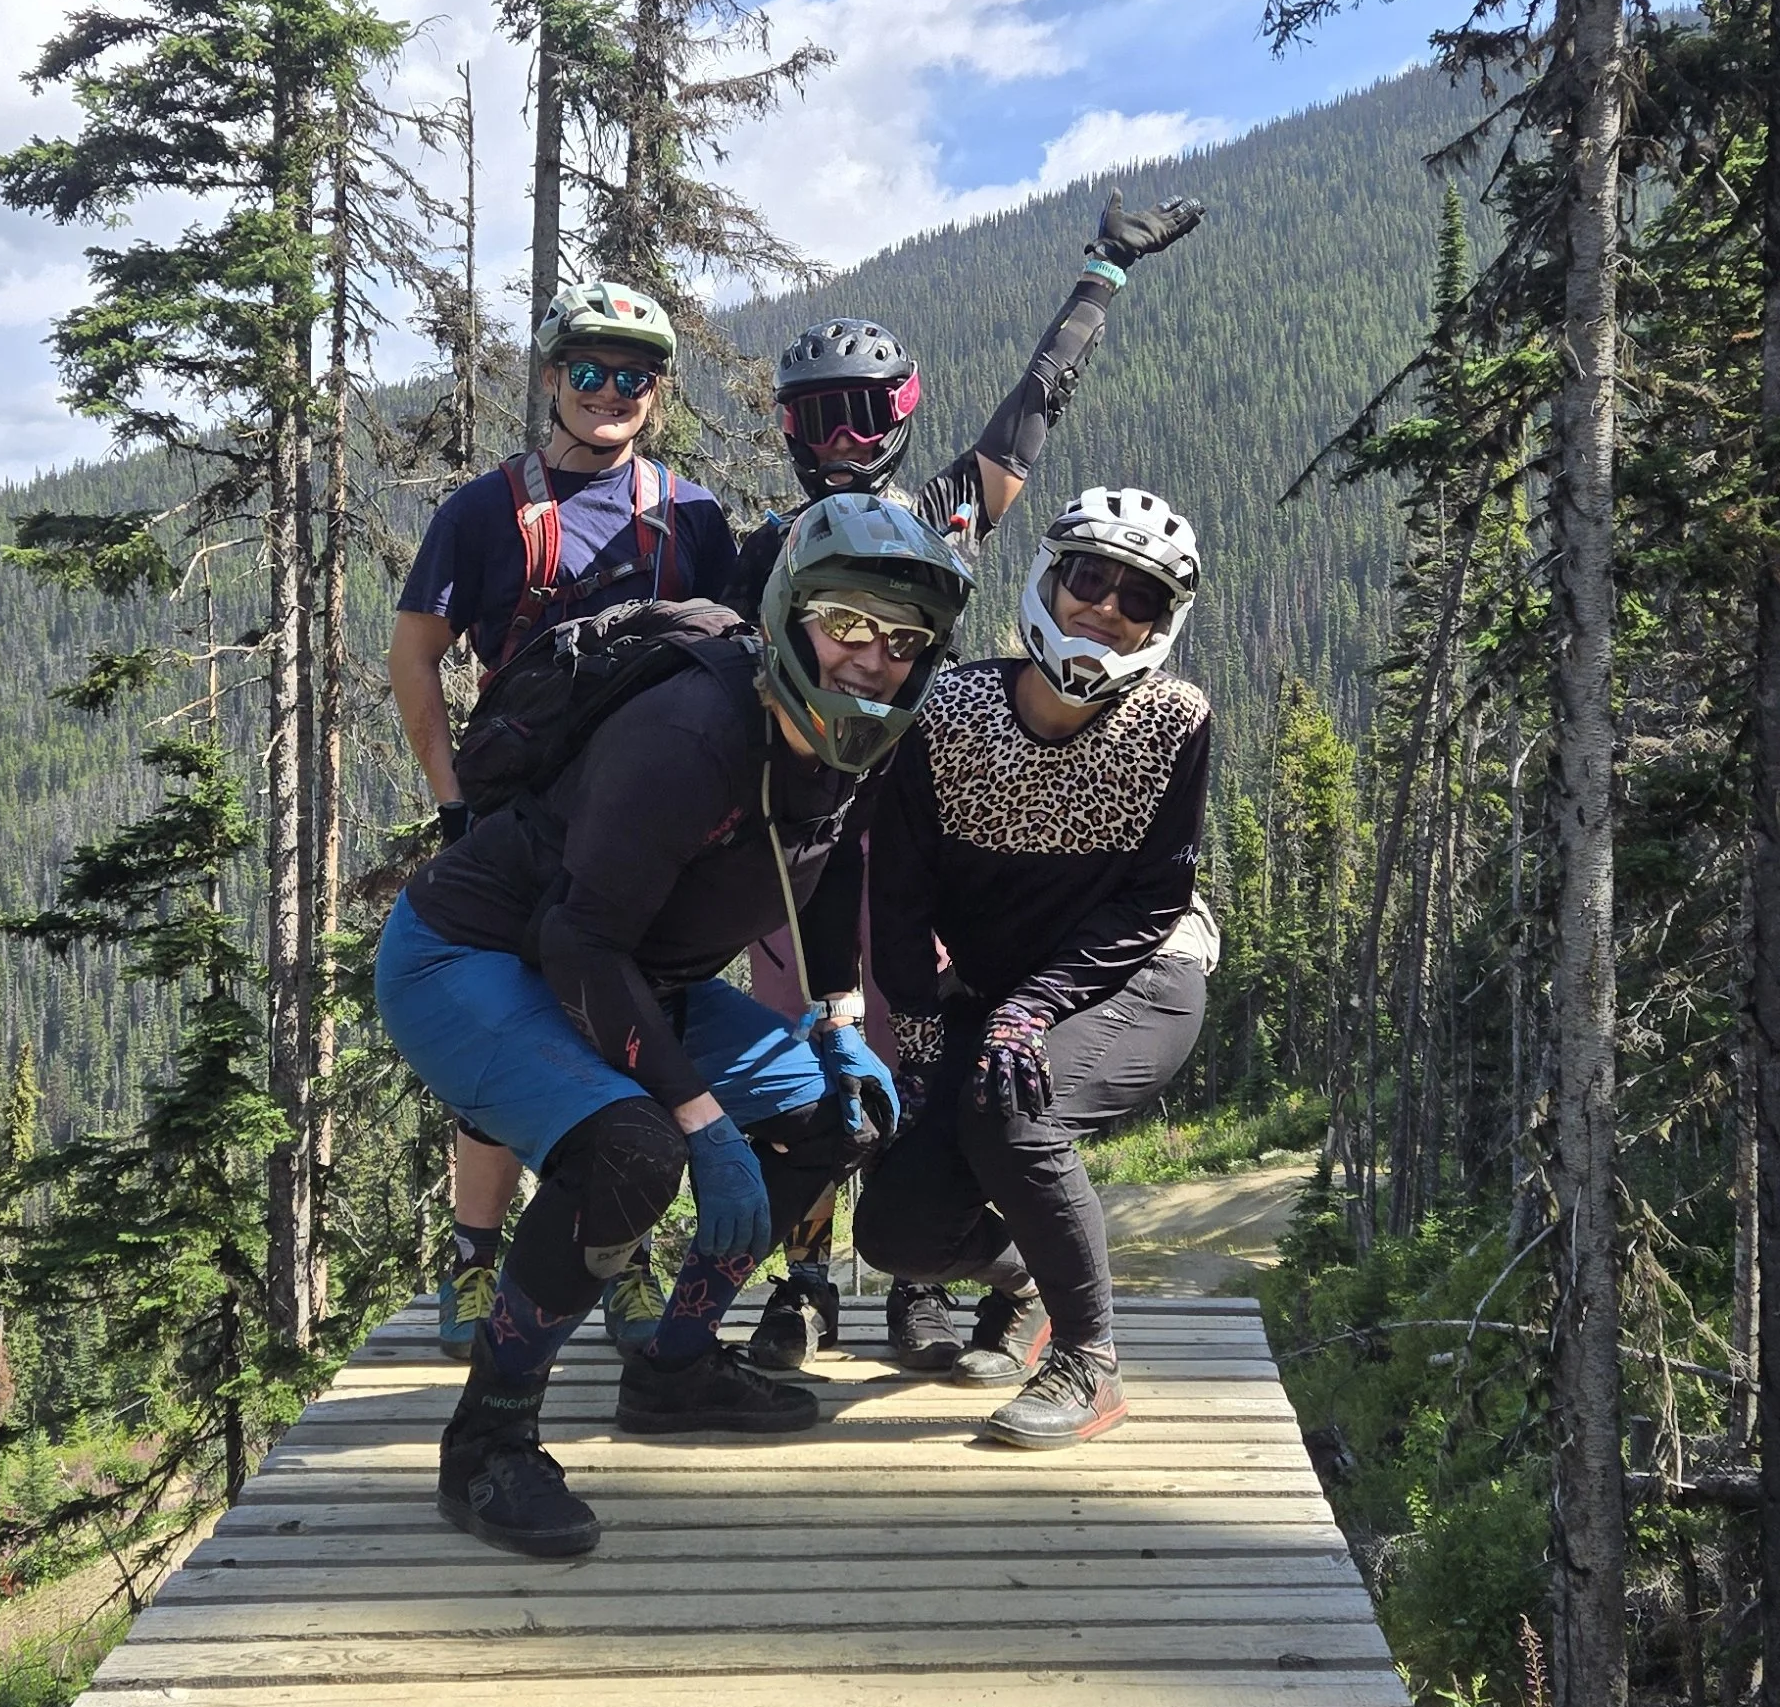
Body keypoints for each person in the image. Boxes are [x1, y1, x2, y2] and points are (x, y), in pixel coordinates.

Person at [375, 495, 973, 1560]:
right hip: (478, 957)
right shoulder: (690, 734)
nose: (869, 660)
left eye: (901, 640)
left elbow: (833, 866)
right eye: (845, 623)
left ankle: (675, 1367)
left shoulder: (868, 736)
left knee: (835, 1116)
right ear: (790, 616)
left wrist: (838, 1024)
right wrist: (698, 1120)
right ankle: (488, 1439)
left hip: (638, 968)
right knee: (629, 1155)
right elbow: (578, 944)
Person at [735, 185, 1207, 1370]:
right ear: (790, 427)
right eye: (820, 417)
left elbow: (1035, 407)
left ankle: (936, 1284)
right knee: (814, 1066)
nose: (845, 439)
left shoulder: (937, 515)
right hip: (803, 844)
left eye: (866, 414)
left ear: (897, 416)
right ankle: (804, 1285)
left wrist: (1102, 273)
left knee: (925, 1054)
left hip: (928, 844)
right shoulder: (756, 552)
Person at [387, 278, 739, 1359]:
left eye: (633, 378)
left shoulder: (689, 516)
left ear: (658, 397)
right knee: (503, 1040)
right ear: (548, 380)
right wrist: (450, 800)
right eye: (587, 371)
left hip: (644, 822)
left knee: (637, 1031)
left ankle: (620, 1260)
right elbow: (413, 655)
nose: (609, 393)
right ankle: (472, 1259)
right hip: (515, 816)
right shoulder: (486, 511)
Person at [857, 486, 1215, 1446]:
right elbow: (897, 894)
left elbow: (1153, 898)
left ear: (1161, 622)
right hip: (994, 988)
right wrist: (922, 1038)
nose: (1104, 606)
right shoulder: (949, 712)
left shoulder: (1175, 722)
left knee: (1011, 1110)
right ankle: (1031, 1269)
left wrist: (1034, 1007)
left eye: (1136, 596)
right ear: (1048, 581)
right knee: (894, 1231)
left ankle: (1089, 1360)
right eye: (1088, 578)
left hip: (1139, 975)